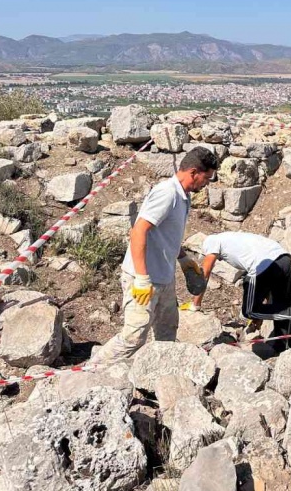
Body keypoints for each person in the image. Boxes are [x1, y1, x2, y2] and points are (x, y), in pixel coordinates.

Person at [91, 147, 218, 364]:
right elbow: (139, 230)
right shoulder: (167, 193)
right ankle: (90, 370)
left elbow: (166, 234)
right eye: (206, 178)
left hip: (164, 278)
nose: (206, 184)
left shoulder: (183, 197)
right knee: (134, 337)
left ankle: (159, 375)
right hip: (144, 278)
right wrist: (141, 278)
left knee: (167, 330)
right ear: (194, 172)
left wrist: (183, 259)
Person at [190, 232, 291, 330]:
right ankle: (282, 347)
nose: (219, 260)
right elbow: (263, 283)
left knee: (249, 311)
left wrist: (196, 304)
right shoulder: (234, 238)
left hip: (263, 266)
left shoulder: (211, 241)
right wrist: (260, 315)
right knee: (280, 306)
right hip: (283, 258)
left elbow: (204, 273)